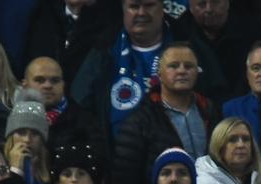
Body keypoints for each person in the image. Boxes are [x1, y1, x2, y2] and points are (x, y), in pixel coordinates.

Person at [70, 0, 225, 138]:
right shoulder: (104, 49)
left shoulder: (190, 46)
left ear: (162, 7)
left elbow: (214, 98)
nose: (141, 13)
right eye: (134, 6)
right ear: (123, 9)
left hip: (179, 160)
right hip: (116, 158)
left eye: (149, 5)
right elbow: (81, 101)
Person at [111, 42, 217, 184]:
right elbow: (125, 180)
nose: (181, 71)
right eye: (173, 66)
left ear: (197, 72)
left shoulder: (211, 111)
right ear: (159, 74)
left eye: (188, 66)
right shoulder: (140, 121)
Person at [4, 88, 53, 184]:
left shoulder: (52, 168)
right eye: (21, 132)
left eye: (35, 134)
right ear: (11, 136)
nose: (27, 139)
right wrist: (15, 170)